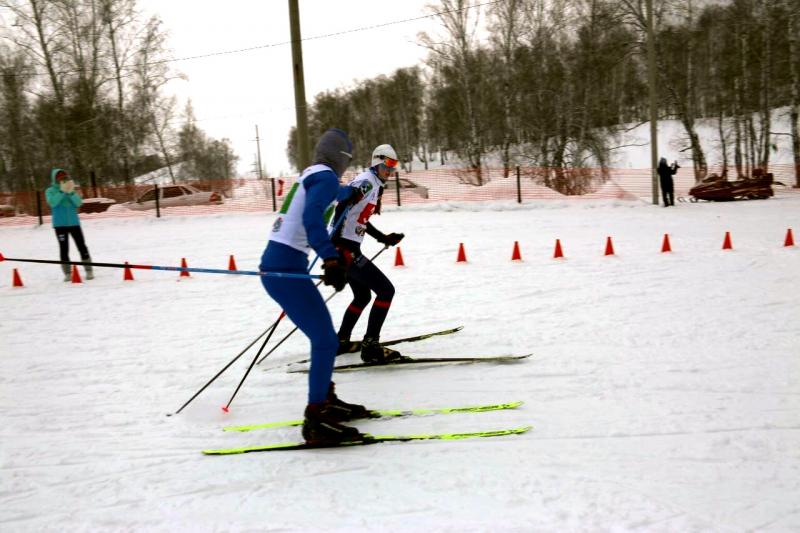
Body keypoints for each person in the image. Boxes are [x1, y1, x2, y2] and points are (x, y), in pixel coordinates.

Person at [259, 128, 369, 445]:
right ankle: (317, 416)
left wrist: (348, 194)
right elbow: (312, 217)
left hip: (282, 266)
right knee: (324, 340)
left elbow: (326, 196)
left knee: (325, 339)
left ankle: (324, 399)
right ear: (341, 157)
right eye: (347, 161)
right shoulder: (325, 178)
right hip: (284, 270)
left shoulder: (313, 174)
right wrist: (330, 258)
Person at [332, 144, 405, 363]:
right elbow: (341, 206)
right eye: (388, 165)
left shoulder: (374, 184)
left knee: (362, 296)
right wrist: (336, 246)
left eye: (394, 166)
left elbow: (359, 217)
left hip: (348, 247)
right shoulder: (366, 181)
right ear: (377, 162)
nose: (390, 171)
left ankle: (341, 341)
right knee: (386, 290)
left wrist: (383, 237)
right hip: (345, 249)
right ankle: (371, 346)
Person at [45, 168, 94, 281]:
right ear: (55, 178)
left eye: (64, 175)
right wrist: (62, 192)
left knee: (82, 246)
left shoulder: (70, 188)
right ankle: (67, 273)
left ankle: (89, 270)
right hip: (60, 225)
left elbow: (78, 203)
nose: (62, 178)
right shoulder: (50, 191)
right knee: (64, 248)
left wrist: (71, 193)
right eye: (59, 176)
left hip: (74, 223)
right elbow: (52, 203)